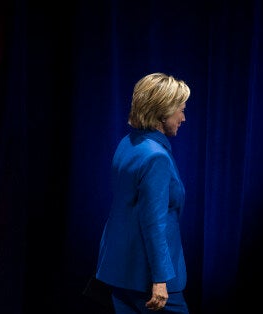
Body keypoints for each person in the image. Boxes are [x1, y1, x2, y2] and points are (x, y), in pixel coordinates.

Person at [95, 72, 191, 313]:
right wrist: (160, 280)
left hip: (119, 271)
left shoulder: (128, 143)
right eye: (180, 109)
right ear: (162, 111)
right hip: (148, 277)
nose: (183, 117)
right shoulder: (156, 156)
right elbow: (154, 222)